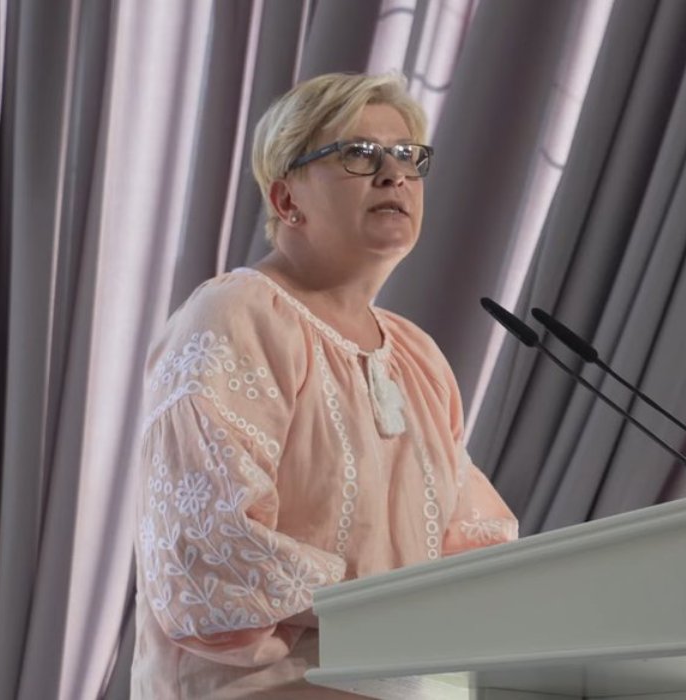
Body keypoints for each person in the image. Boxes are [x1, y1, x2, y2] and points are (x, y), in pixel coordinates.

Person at [131, 72, 518, 698]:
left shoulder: (417, 356)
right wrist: (392, 605)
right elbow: (208, 548)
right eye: (359, 154)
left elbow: (471, 541)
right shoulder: (237, 315)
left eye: (407, 156)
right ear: (287, 200)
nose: (394, 175)